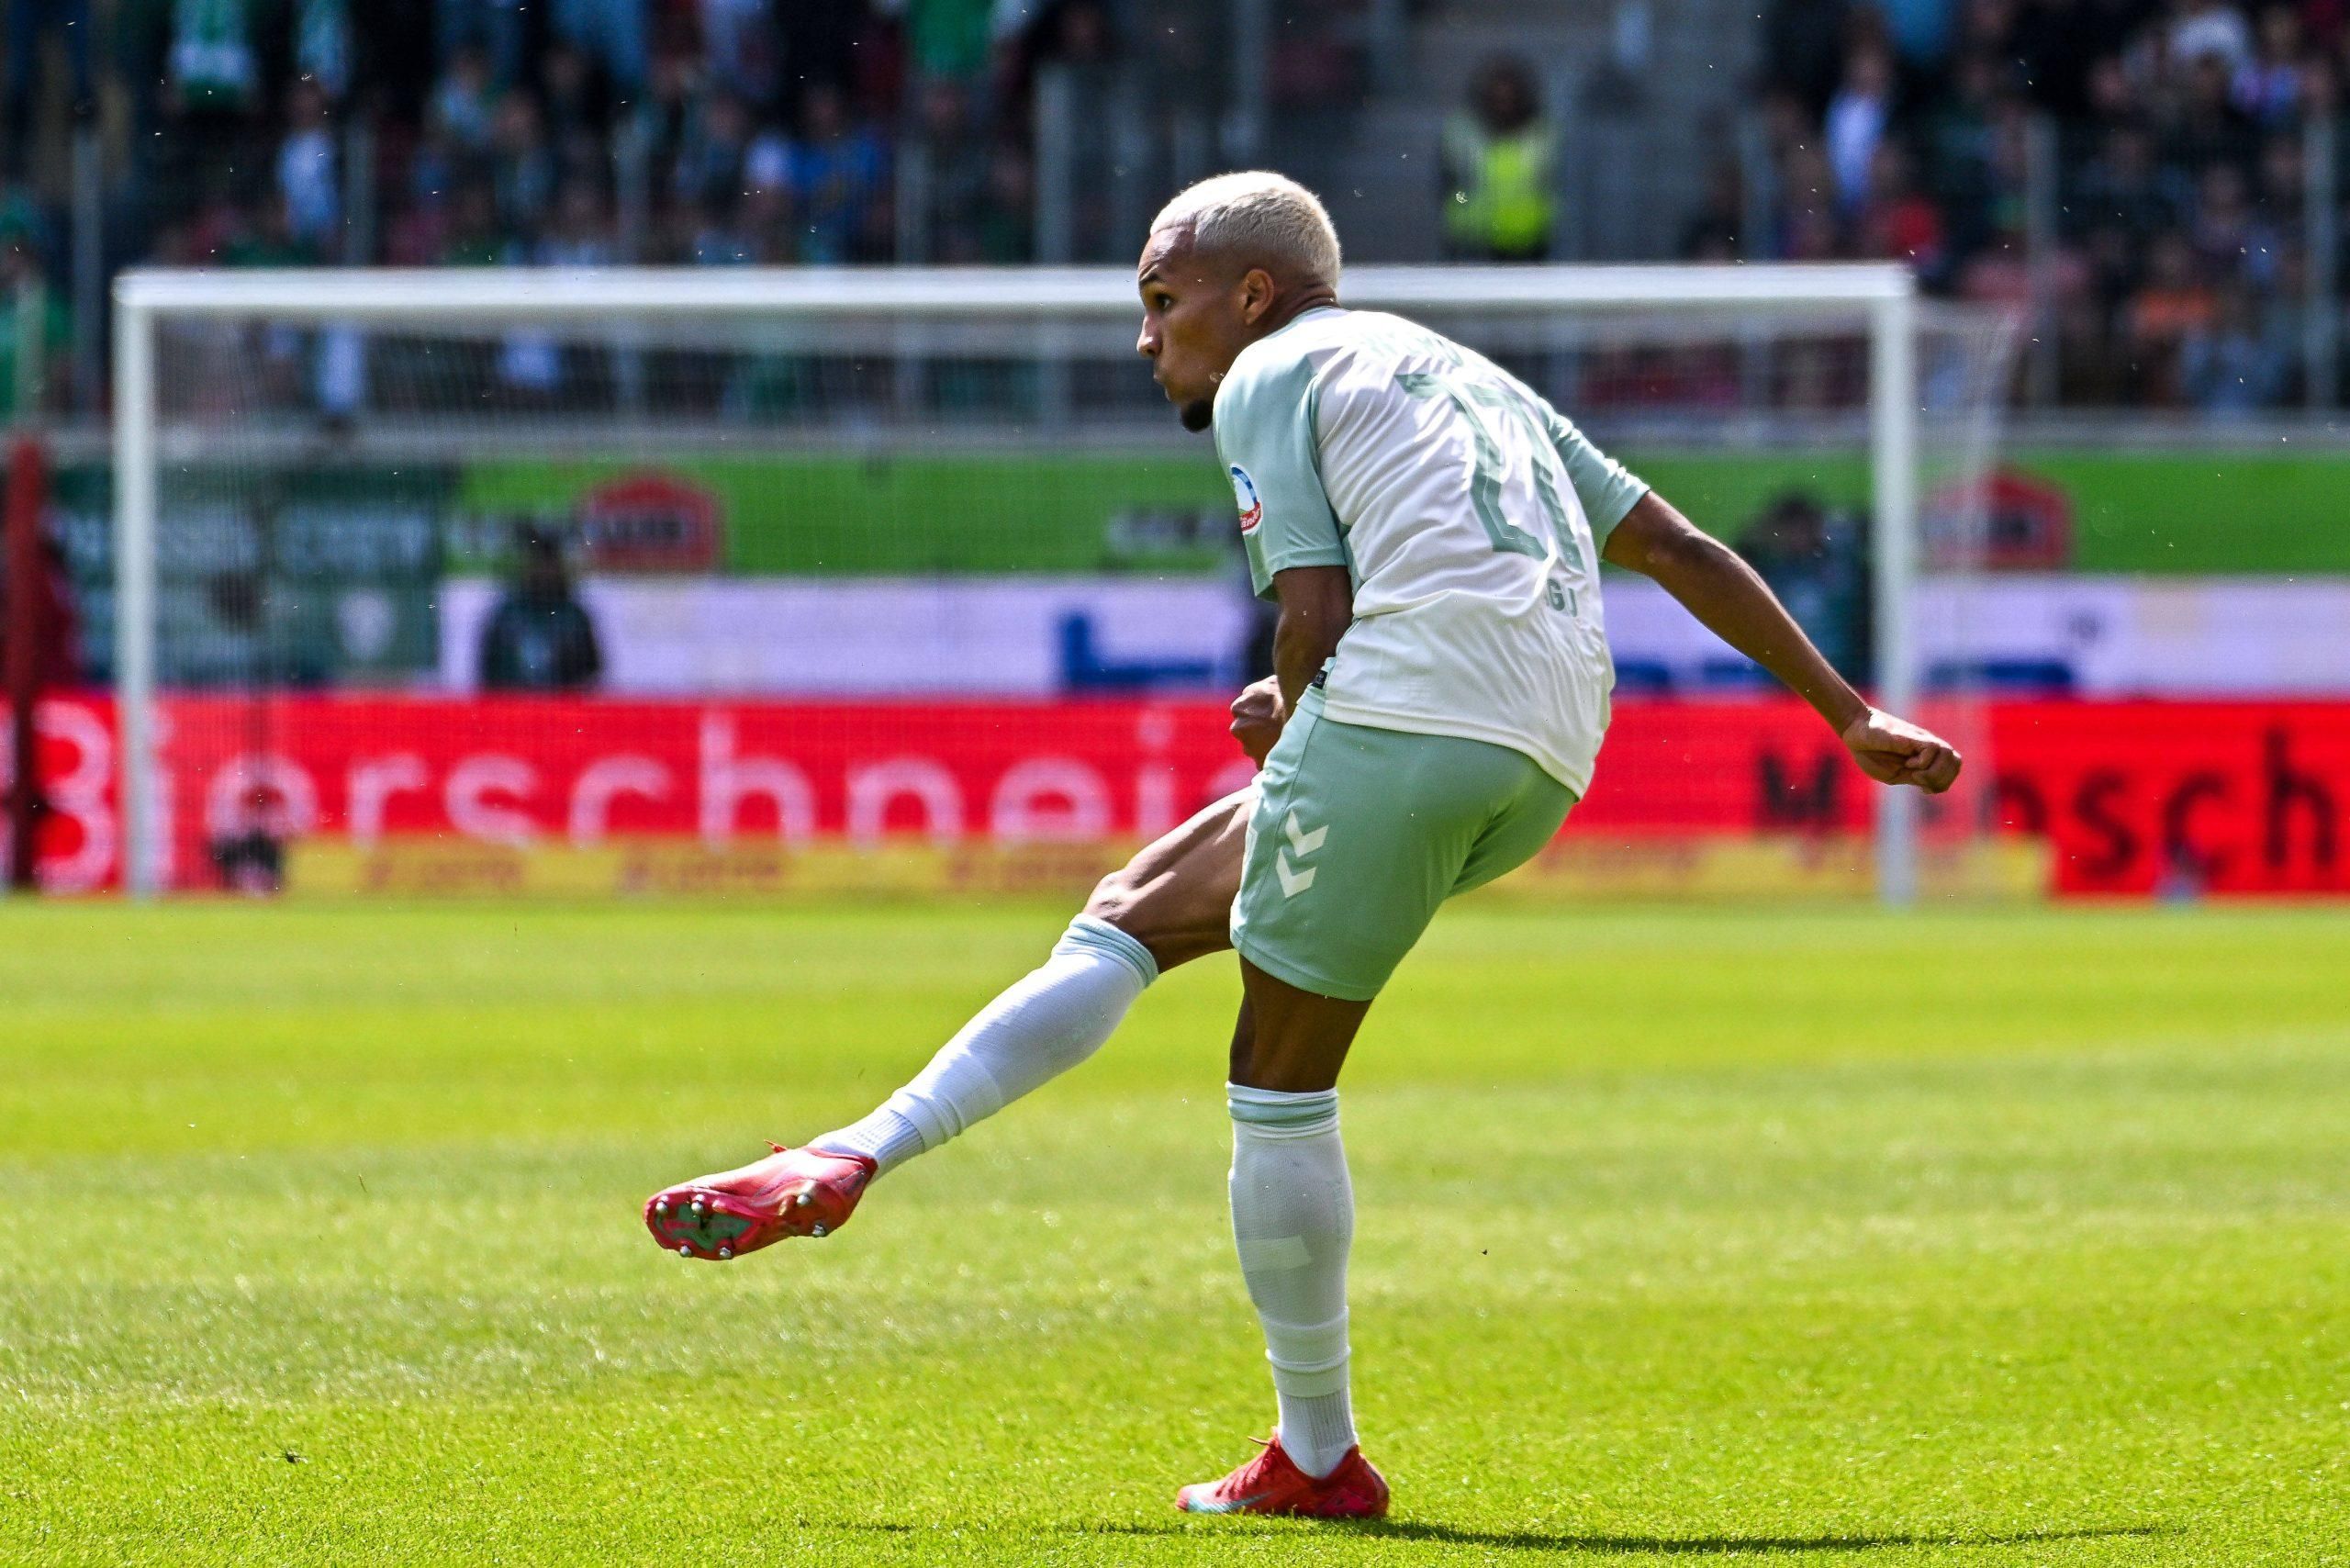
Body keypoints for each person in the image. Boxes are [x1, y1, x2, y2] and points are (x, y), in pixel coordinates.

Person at [644, 172, 1962, 1518]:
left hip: (1415, 710)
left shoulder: (1271, 377)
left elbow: (1313, 601)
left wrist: (1291, 707)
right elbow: (1676, 546)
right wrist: (1846, 714)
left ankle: (1316, 1457)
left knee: (1277, 1077)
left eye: (1163, 303)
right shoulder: (1470, 376)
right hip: (1553, 747)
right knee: (1144, 904)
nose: (1147, 338)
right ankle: (855, 1147)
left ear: (1252, 295)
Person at [476, 527, 602, 690]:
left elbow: (589, 675)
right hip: (513, 711)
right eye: (539, 564)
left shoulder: (574, 618)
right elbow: (488, 675)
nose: (545, 571)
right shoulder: (506, 616)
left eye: (550, 565)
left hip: (562, 711)